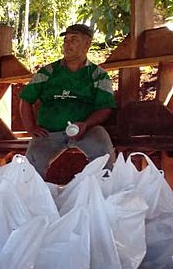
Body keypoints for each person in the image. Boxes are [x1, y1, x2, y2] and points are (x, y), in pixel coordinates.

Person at [19, 23, 117, 178]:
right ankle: (32, 198)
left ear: (87, 44)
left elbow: (105, 108)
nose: (67, 44)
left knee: (104, 155)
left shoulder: (98, 75)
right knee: (31, 164)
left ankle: (104, 195)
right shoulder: (47, 72)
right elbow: (25, 99)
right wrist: (31, 128)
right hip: (49, 133)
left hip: (87, 131)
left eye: (74, 40)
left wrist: (86, 124)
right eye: (66, 40)